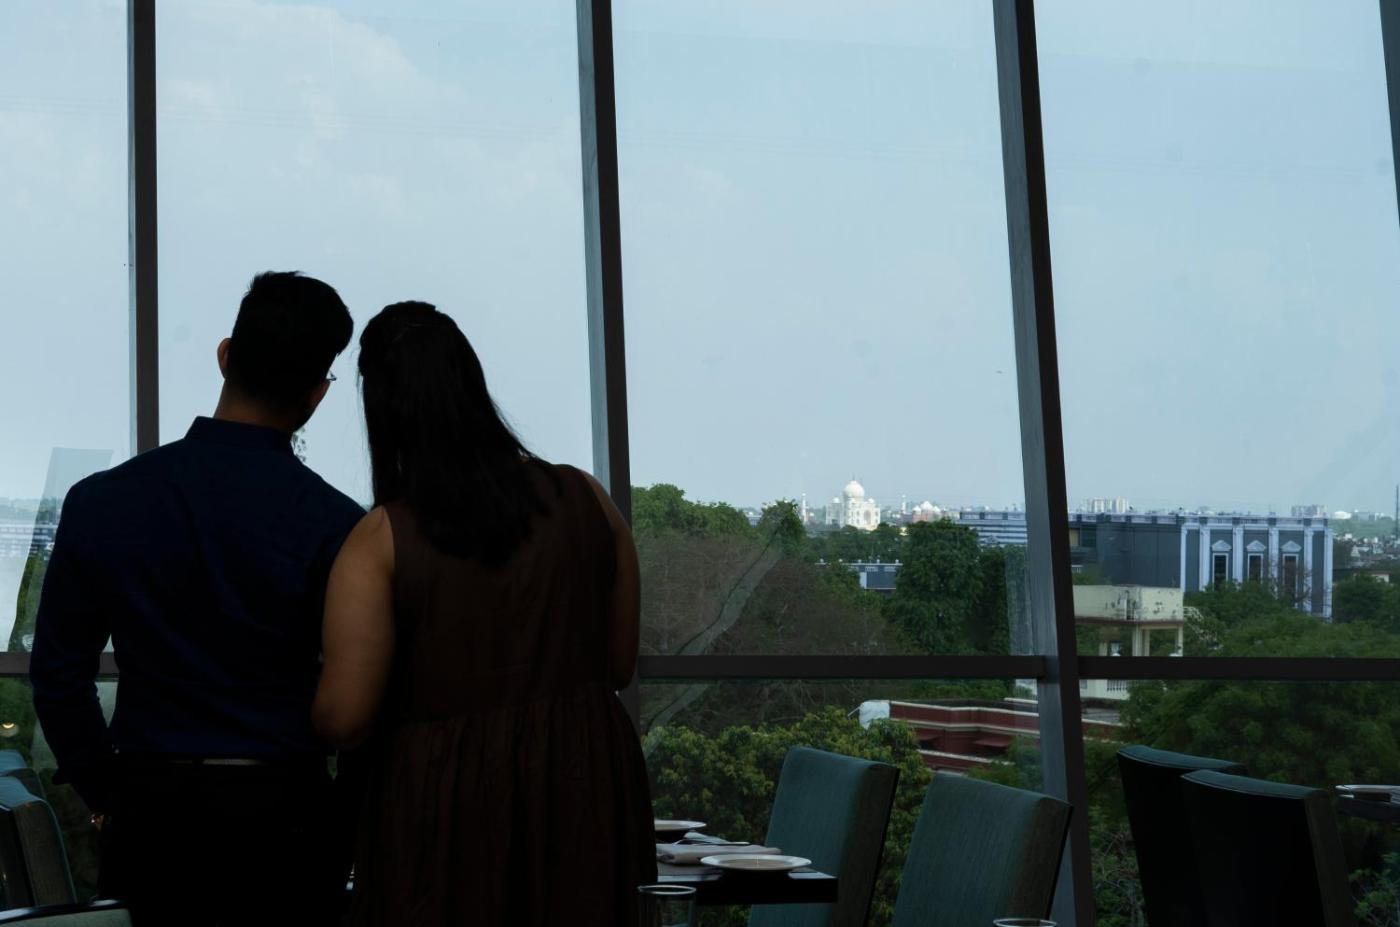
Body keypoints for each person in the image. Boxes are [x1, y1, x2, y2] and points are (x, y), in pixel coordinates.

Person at [30, 271, 365, 926]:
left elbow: (58, 675)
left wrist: (107, 793)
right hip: (287, 818)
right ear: (318, 394)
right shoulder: (339, 526)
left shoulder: (103, 501)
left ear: (225, 355)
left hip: (151, 814)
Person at [312, 301, 655, 926]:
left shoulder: (380, 540)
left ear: (382, 408)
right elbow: (617, 664)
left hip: (445, 804)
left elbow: (344, 717)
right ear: (472, 382)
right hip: (584, 788)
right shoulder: (588, 499)